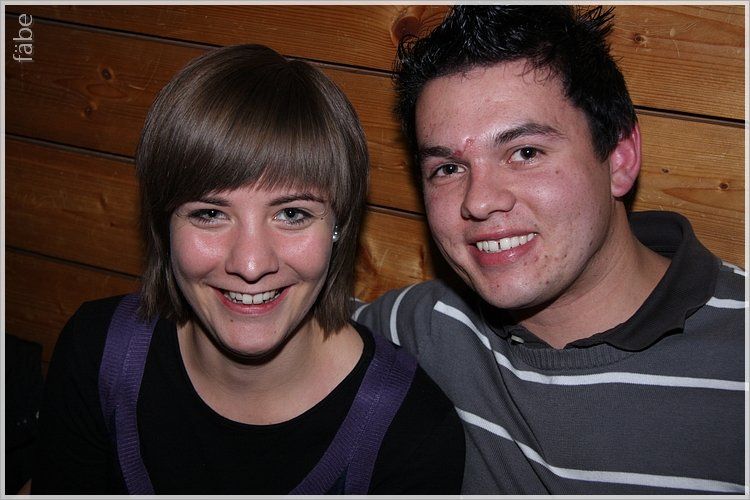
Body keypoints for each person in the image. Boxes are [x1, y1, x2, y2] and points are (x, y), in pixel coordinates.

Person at [31, 44, 464, 494]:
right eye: (209, 214)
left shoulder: (411, 436)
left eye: (292, 214)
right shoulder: (98, 355)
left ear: (339, 226)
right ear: (164, 225)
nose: (251, 264)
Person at [355, 5, 746, 495]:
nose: (479, 201)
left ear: (619, 159)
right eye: (448, 169)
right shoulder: (429, 324)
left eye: (525, 152)